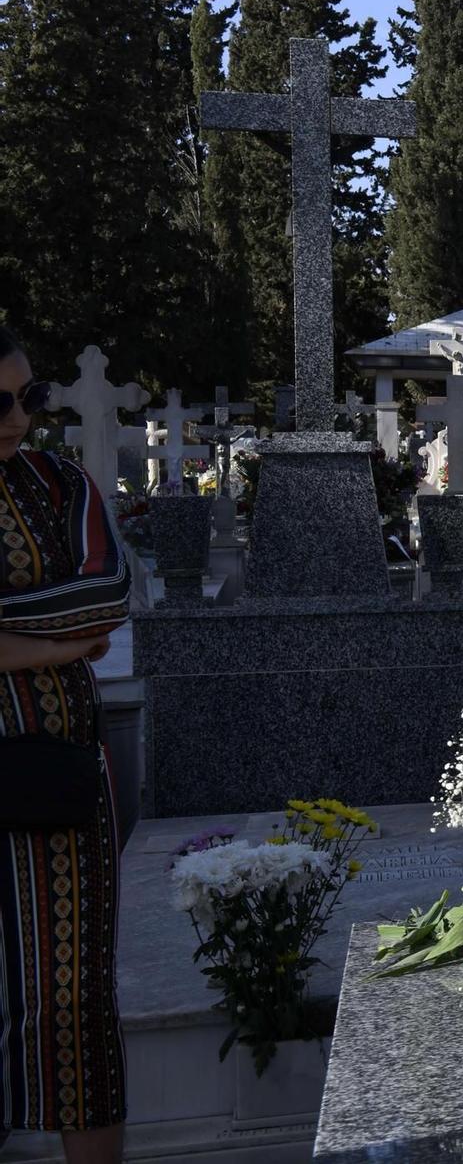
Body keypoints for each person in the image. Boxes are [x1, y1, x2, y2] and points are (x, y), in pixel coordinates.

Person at [0, 326, 131, 1164]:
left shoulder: (57, 482)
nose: (17, 417)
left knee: (77, 1003)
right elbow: (73, 618)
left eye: (27, 397)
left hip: (61, 780)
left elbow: (106, 591)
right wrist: (54, 640)